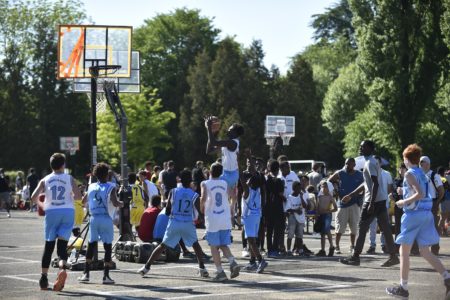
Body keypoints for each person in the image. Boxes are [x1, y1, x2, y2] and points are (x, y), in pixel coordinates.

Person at [386, 144, 450, 298]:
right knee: (425, 252)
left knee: (404, 251)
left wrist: (403, 202)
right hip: (426, 214)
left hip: (414, 215)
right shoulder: (423, 173)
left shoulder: (409, 174)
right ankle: (447, 278)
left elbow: (420, 194)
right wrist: (404, 192)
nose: (403, 160)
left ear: (407, 159)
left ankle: (403, 287)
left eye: (403, 158)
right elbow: (424, 192)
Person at [138, 170, 209, 278]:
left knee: (163, 245)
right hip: (187, 222)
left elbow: (167, 209)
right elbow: (199, 211)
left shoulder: (173, 191)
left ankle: (146, 267)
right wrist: (202, 219)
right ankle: (202, 268)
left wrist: (170, 212)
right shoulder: (194, 194)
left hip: (175, 221)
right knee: (195, 244)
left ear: (180, 180)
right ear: (190, 181)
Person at [340, 140, 399, 267]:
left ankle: (355, 257)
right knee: (386, 229)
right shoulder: (372, 162)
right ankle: (393, 256)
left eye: (363, 146)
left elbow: (375, 184)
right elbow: (367, 184)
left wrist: (371, 203)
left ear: (370, 149)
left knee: (362, 228)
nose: (360, 148)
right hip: (381, 200)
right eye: (360, 146)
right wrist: (351, 195)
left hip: (373, 201)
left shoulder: (370, 163)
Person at [31, 153, 82, 291]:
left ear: (51, 165)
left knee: (49, 246)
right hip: (67, 211)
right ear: (63, 165)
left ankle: (43, 277)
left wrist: (42, 206)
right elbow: (78, 196)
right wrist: (71, 195)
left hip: (52, 211)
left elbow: (33, 197)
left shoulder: (45, 179)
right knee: (62, 246)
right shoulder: (69, 178)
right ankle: (62, 267)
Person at [77, 163, 123, 284]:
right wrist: (122, 204)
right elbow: (115, 202)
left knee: (91, 245)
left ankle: (86, 274)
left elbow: (83, 201)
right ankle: (106, 276)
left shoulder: (91, 186)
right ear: (107, 174)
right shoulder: (111, 186)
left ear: (95, 174)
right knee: (108, 246)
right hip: (106, 218)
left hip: (94, 218)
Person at [200, 163, 239, 281]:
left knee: (213, 246)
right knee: (223, 243)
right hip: (224, 217)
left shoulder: (205, 183)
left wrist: (201, 208)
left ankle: (220, 272)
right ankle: (232, 261)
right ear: (221, 173)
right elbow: (234, 196)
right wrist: (232, 208)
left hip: (212, 218)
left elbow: (203, 197)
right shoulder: (224, 183)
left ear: (210, 172)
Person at [205, 116, 245, 226]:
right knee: (217, 199)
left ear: (235, 133)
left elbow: (213, 142)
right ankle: (222, 222)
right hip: (226, 174)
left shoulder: (233, 143)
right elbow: (209, 150)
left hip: (231, 175)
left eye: (230, 129)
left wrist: (209, 128)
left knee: (215, 198)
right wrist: (211, 132)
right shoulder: (227, 143)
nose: (228, 130)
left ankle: (223, 223)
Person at [328, 158, 364, 254]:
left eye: (350, 164)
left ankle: (352, 246)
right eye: (346, 164)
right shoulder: (340, 173)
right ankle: (337, 246)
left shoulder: (359, 175)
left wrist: (361, 194)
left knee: (354, 227)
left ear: (354, 164)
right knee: (339, 227)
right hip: (342, 204)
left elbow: (365, 186)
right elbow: (329, 181)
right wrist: (336, 189)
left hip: (355, 203)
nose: (348, 166)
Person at [241, 157, 268, 273]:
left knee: (251, 240)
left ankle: (261, 260)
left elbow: (241, 178)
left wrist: (236, 160)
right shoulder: (257, 191)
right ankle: (252, 262)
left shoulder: (247, 191)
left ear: (250, 183)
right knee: (252, 239)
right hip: (257, 214)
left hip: (249, 216)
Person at [368, 156, 394, 254]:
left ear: (380, 163)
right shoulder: (369, 172)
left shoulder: (387, 174)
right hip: (372, 202)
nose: (375, 164)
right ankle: (372, 245)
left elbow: (389, 188)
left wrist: (383, 196)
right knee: (372, 226)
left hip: (383, 203)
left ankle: (384, 245)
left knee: (384, 225)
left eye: (377, 162)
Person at [419, 156, 445, 255]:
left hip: (432, 202)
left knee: (433, 226)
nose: (421, 164)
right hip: (420, 203)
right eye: (420, 162)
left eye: (423, 162)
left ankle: (435, 248)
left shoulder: (434, 175)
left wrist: (436, 202)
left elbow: (441, 191)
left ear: (428, 164)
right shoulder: (418, 175)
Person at [265, 159, 285, 257]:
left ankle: (269, 249)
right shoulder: (279, 181)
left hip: (268, 206)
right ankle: (275, 249)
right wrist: (285, 198)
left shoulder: (267, 180)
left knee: (269, 230)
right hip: (278, 207)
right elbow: (281, 194)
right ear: (278, 169)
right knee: (277, 230)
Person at [285, 181, 309, 256]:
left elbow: (305, 206)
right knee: (290, 234)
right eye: (298, 188)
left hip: (300, 218)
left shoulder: (301, 196)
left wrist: (301, 197)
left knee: (300, 235)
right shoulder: (290, 197)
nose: (299, 190)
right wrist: (296, 211)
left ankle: (301, 250)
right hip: (292, 217)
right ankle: (288, 250)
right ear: (294, 188)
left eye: (300, 188)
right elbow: (288, 209)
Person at [315, 180, 337, 256]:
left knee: (326, 231)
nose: (324, 188)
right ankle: (323, 250)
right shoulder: (319, 196)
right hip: (321, 215)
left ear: (329, 188)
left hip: (327, 215)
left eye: (325, 187)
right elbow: (317, 207)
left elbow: (335, 208)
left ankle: (331, 247)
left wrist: (328, 211)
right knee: (322, 233)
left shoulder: (330, 196)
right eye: (322, 187)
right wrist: (317, 215)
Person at [438, 167, 450, 237]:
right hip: (446, 199)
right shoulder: (444, 179)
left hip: (441, 200)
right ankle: (439, 232)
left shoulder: (438, 179)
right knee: (443, 217)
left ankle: (443, 231)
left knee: (443, 217)